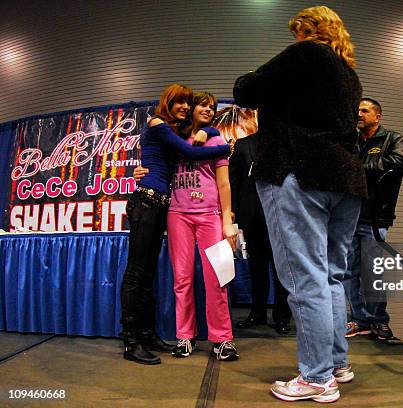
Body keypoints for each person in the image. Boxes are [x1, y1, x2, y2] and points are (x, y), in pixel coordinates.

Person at [233, 5, 365, 403]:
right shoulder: (349, 74)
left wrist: (259, 76)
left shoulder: (305, 54)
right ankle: (336, 364)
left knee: (304, 277)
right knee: (331, 276)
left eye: (297, 32)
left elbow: (245, 89)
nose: (294, 39)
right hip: (344, 179)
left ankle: (316, 377)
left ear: (309, 31)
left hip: (297, 171)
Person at [121, 84, 231, 365]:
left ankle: (218, 339)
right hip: (164, 208)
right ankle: (156, 339)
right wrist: (225, 147)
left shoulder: (202, 137)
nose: (202, 109)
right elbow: (177, 155)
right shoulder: (166, 130)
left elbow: (223, 181)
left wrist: (215, 135)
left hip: (195, 212)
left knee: (211, 279)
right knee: (162, 277)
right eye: (193, 104)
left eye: (211, 107)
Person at [343, 97, 403, 342]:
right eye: (357, 110)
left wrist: (359, 167)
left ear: (377, 116)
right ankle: (359, 320)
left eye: (365, 110)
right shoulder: (350, 141)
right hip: (348, 217)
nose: (359, 114)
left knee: (373, 272)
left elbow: (399, 162)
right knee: (349, 272)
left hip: (375, 219)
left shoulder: (393, 139)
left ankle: (378, 320)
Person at [230, 131, 292, 334]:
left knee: (281, 269)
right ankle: (257, 314)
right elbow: (234, 181)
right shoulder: (243, 145)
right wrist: (235, 214)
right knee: (256, 268)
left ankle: (282, 317)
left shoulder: (287, 143)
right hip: (252, 216)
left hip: (281, 216)